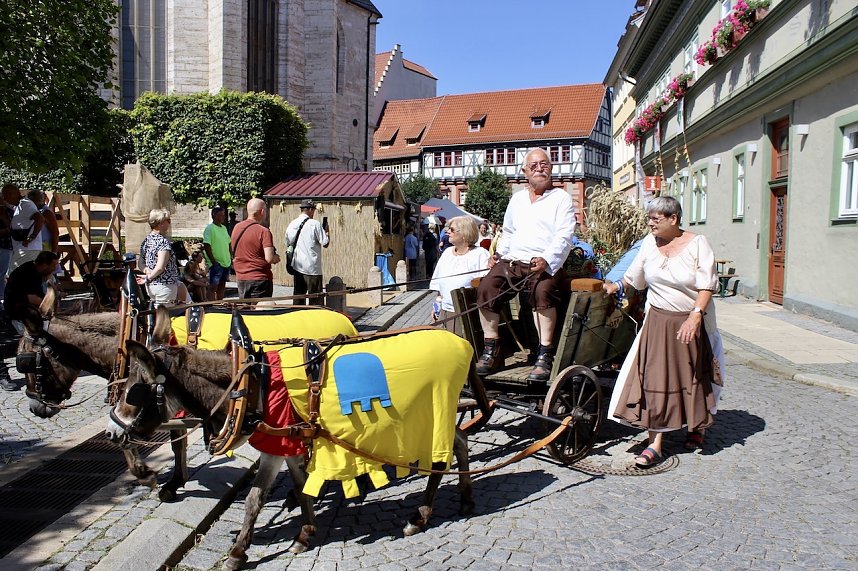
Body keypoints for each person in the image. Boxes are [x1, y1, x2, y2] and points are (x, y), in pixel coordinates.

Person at [603, 196, 725, 467]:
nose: (650, 223)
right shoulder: (649, 243)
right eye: (649, 218)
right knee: (655, 380)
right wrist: (615, 286)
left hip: (690, 321)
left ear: (674, 219)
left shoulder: (698, 244)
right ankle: (654, 444)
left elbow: (707, 285)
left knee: (693, 377)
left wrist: (695, 317)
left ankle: (696, 425)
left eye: (656, 219)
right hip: (658, 321)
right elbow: (633, 277)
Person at [474, 148, 575, 381]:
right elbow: (508, 232)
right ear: (524, 172)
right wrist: (499, 254)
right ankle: (491, 350)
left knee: (542, 291)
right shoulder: (517, 199)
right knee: (487, 287)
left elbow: (564, 235)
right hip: (513, 260)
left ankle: (545, 354)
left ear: (551, 168)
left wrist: (547, 259)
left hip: (544, 262)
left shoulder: (561, 198)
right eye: (534, 166)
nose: (539, 169)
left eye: (544, 164)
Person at [1, 251, 59, 390]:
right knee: (38, 339)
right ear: (44, 265)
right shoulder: (27, 273)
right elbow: (32, 298)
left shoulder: (37, 272)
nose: (55, 269)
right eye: (53, 266)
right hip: (18, 313)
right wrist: (51, 304)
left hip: (28, 311)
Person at [429, 216, 489, 336]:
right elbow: (439, 289)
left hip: (468, 315)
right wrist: (436, 308)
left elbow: (485, 286)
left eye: (452, 229)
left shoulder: (480, 254)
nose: (448, 232)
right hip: (445, 313)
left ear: (464, 233)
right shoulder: (447, 253)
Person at [231, 198, 280, 299]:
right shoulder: (264, 231)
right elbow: (269, 258)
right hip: (259, 279)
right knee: (260, 308)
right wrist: (277, 258)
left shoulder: (237, 227)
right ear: (262, 212)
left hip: (241, 277)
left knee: (245, 307)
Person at [285, 198, 329, 305]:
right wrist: (327, 232)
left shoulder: (292, 223)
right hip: (313, 268)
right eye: (313, 210)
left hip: (298, 267)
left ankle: (298, 315)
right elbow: (325, 243)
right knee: (316, 299)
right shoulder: (315, 224)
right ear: (310, 209)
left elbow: (288, 242)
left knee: (299, 298)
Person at [138, 208, 180, 306]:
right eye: (168, 220)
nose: (169, 223)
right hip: (165, 285)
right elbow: (160, 267)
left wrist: (147, 272)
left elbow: (140, 263)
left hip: (151, 287)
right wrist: (148, 277)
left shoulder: (146, 241)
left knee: (156, 313)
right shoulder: (163, 242)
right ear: (161, 223)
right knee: (164, 314)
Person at [5, 184, 43, 276]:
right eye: (4, 194)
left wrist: (32, 236)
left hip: (27, 249)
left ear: (16, 193)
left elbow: (39, 218)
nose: (5, 197)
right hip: (23, 248)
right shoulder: (19, 206)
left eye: (7, 194)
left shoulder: (25, 204)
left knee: (14, 276)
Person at [203, 206, 231, 300]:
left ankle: (220, 303)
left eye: (224, 215)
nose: (224, 217)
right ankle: (210, 304)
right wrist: (213, 261)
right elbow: (207, 245)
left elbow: (229, 242)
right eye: (221, 215)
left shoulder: (224, 228)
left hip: (226, 262)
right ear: (215, 215)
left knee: (222, 285)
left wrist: (231, 256)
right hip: (216, 263)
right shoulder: (210, 228)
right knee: (213, 286)